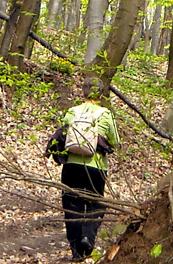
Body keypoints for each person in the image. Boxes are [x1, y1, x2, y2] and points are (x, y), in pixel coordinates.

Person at [59, 77, 120, 261]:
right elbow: (115, 141)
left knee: (71, 205)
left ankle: (76, 251)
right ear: (101, 95)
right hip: (96, 167)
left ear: (82, 93)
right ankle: (88, 237)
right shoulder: (105, 114)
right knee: (96, 203)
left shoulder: (71, 112)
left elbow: (62, 136)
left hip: (71, 166)